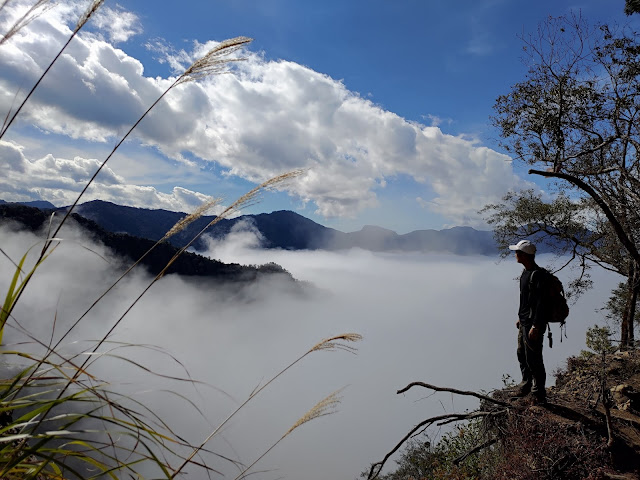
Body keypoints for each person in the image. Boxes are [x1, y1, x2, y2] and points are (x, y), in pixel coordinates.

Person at [509, 239, 548, 404]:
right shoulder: (526, 273)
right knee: (522, 354)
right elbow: (525, 300)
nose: (515, 254)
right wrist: (521, 317)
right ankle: (526, 384)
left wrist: (536, 326)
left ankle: (538, 394)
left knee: (534, 358)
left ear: (524, 255)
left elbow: (541, 303)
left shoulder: (537, 275)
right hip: (525, 322)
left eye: (517, 252)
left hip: (533, 325)